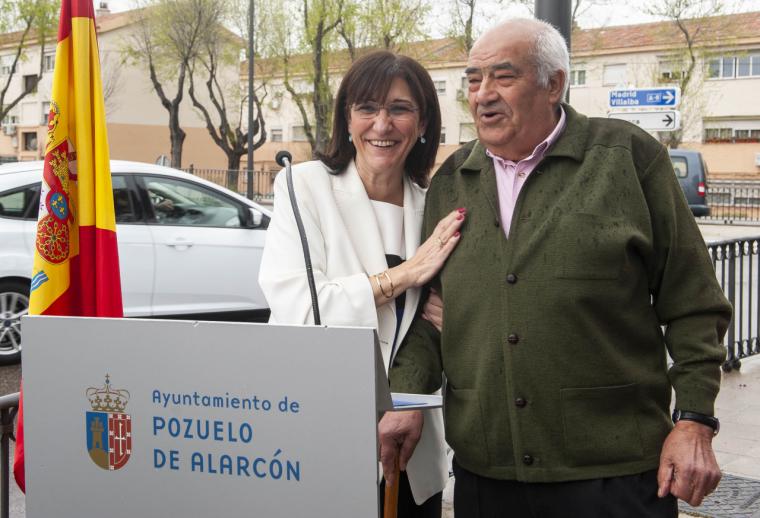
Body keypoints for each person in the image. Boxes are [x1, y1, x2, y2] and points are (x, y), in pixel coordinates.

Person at [379, 18, 732, 518]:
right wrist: (408, 400)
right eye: (473, 80)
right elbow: (432, 313)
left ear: (554, 84)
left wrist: (694, 420)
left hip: (613, 477)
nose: (483, 95)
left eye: (503, 77)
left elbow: (694, 304)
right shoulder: (453, 180)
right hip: (487, 476)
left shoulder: (627, 159)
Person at [258, 50, 465, 517]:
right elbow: (302, 311)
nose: (381, 124)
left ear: (424, 121)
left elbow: (444, 323)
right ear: (347, 119)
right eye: (367, 108)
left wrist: (459, 322)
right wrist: (403, 275)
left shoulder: (435, 208)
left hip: (411, 451)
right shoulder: (304, 186)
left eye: (399, 108)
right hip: (322, 437)